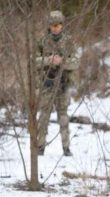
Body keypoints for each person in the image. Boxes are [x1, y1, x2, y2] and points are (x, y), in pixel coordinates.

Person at [35, 10, 80, 156]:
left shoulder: (69, 41)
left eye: (58, 25)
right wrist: (48, 60)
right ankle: (40, 146)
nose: (55, 27)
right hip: (46, 83)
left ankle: (66, 148)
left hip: (63, 84)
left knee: (63, 117)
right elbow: (33, 61)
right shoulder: (42, 40)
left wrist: (62, 61)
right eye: (53, 25)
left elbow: (76, 61)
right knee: (43, 117)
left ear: (62, 25)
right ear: (49, 25)